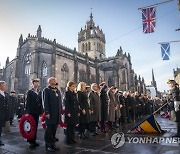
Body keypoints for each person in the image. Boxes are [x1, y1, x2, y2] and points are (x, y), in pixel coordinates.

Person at [43, 77, 62, 152]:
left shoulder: (57, 90)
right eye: (53, 80)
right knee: (49, 130)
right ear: (49, 82)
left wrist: (60, 112)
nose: (54, 81)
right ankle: (48, 145)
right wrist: (47, 112)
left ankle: (53, 144)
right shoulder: (46, 90)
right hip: (50, 114)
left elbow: (59, 102)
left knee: (54, 130)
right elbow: (45, 102)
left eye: (55, 80)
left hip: (57, 113)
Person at [25, 79, 43, 148]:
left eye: (38, 82)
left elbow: (41, 103)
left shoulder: (39, 92)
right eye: (35, 82)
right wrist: (27, 112)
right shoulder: (29, 92)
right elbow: (27, 103)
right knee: (31, 126)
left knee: (35, 126)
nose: (36, 84)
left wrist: (41, 112)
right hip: (31, 112)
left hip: (37, 112)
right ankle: (30, 140)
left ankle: (34, 140)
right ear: (32, 84)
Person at [0, 81, 10, 146]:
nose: (5, 86)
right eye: (3, 85)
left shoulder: (6, 94)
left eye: (5, 85)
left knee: (0, 127)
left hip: (3, 114)